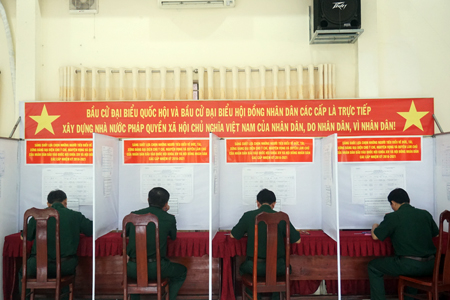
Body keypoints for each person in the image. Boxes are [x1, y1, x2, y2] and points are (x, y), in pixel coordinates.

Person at [20, 189, 93, 299]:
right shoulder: (75, 216)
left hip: (37, 266)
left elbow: (26, 237)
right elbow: (91, 230)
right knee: (65, 274)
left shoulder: (36, 217)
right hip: (65, 266)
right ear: (65, 202)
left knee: (23, 272)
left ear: (48, 204)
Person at [368, 188, 439, 300]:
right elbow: (436, 235)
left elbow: (375, 236)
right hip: (431, 266)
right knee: (412, 268)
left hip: (408, 265)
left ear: (393, 203)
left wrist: (375, 226)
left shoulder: (392, 217)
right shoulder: (425, 214)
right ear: (408, 201)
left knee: (373, 266)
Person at [231, 188, 301, 300]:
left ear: (257, 203)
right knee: (282, 271)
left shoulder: (248, 216)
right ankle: (276, 296)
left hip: (255, 267)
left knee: (243, 269)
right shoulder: (282, 218)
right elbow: (297, 240)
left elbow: (234, 235)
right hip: (279, 267)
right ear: (274, 204)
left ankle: (255, 296)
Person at [125, 187, 187, 300]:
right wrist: (164, 213)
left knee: (135, 279)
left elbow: (124, 235)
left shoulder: (132, 216)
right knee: (182, 271)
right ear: (166, 203)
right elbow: (173, 237)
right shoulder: (169, 218)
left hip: (132, 269)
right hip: (157, 269)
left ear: (148, 199)